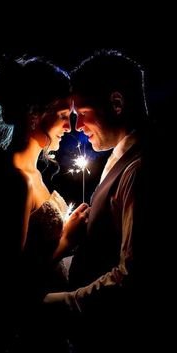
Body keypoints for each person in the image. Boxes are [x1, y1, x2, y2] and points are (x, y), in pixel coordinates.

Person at [43, 49, 161, 351]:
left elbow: (132, 278)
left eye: (82, 113)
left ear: (117, 104)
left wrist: (56, 303)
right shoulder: (121, 157)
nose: (76, 126)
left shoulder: (141, 169)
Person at [0, 55, 89, 352]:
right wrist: (67, 238)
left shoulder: (34, 173)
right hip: (27, 331)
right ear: (35, 112)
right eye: (64, 114)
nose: (70, 126)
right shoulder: (16, 180)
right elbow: (11, 278)